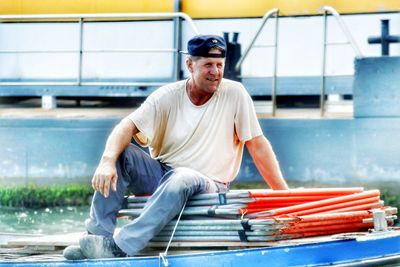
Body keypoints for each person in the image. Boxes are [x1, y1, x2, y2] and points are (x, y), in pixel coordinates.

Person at [63, 34, 289, 260]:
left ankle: (121, 247)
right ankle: (96, 238)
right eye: (208, 65)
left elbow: (258, 146)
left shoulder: (235, 93)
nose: (216, 72)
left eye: (220, 65)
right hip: (163, 174)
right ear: (190, 64)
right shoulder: (167, 96)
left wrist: (284, 197)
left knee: (182, 176)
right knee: (121, 155)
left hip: (210, 184)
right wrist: (107, 161)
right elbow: (126, 126)